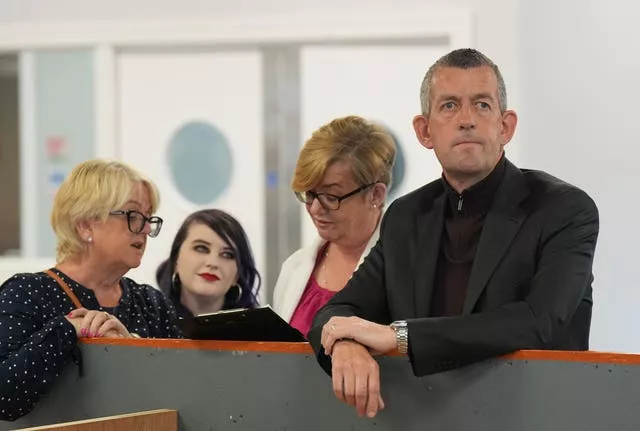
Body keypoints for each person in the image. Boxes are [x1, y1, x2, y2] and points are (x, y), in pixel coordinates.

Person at [307, 48, 600, 418]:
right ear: (424, 131)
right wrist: (346, 342)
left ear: (505, 126)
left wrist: (399, 338)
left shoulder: (563, 209)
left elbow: (539, 321)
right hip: (424, 421)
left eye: (481, 105)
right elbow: (337, 310)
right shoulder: (406, 216)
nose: (466, 120)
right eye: (449, 106)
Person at [0, 159, 182, 421]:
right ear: (85, 225)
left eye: (148, 217)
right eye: (132, 215)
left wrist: (133, 348)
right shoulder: (28, 293)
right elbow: (4, 397)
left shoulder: (151, 303)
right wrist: (69, 329)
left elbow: (184, 393)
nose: (145, 229)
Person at [272, 115, 396, 338]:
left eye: (331, 196)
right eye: (309, 194)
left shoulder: (407, 269)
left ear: (375, 195)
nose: (316, 209)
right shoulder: (294, 268)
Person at [156, 209, 260, 319]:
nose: (213, 263)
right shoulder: (150, 323)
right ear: (176, 259)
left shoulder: (260, 332)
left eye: (227, 254)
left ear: (237, 274)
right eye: (201, 248)